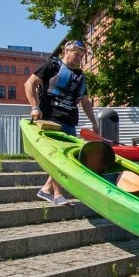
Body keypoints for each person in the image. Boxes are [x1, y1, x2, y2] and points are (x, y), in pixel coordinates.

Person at [24, 40, 99, 205]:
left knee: (71, 159)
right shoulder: (52, 66)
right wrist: (35, 107)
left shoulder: (80, 76)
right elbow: (29, 84)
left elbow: (85, 102)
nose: (79, 58)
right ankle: (58, 195)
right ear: (66, 51)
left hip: (69, 121)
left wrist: (94, 123)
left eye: (82, 56)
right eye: (76, 54)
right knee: (59, 158)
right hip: (51, 118)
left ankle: (45, 190)